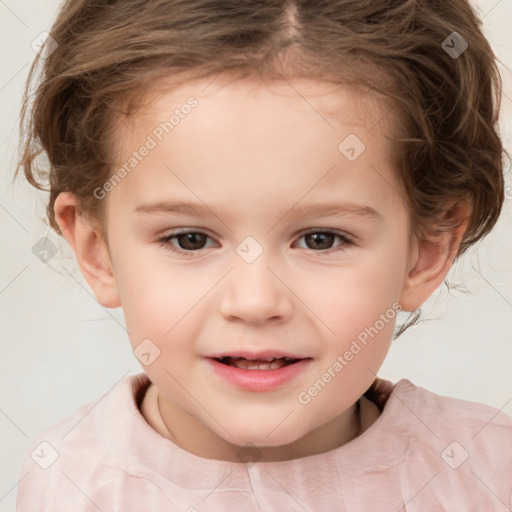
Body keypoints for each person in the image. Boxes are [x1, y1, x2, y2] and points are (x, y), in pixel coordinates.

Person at [15, 0, 511, 510]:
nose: (254, 302)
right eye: (190, 239)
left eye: (321, 239)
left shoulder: (487, 472)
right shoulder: (70, 484)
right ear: (98, 252)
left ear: (427, 249)